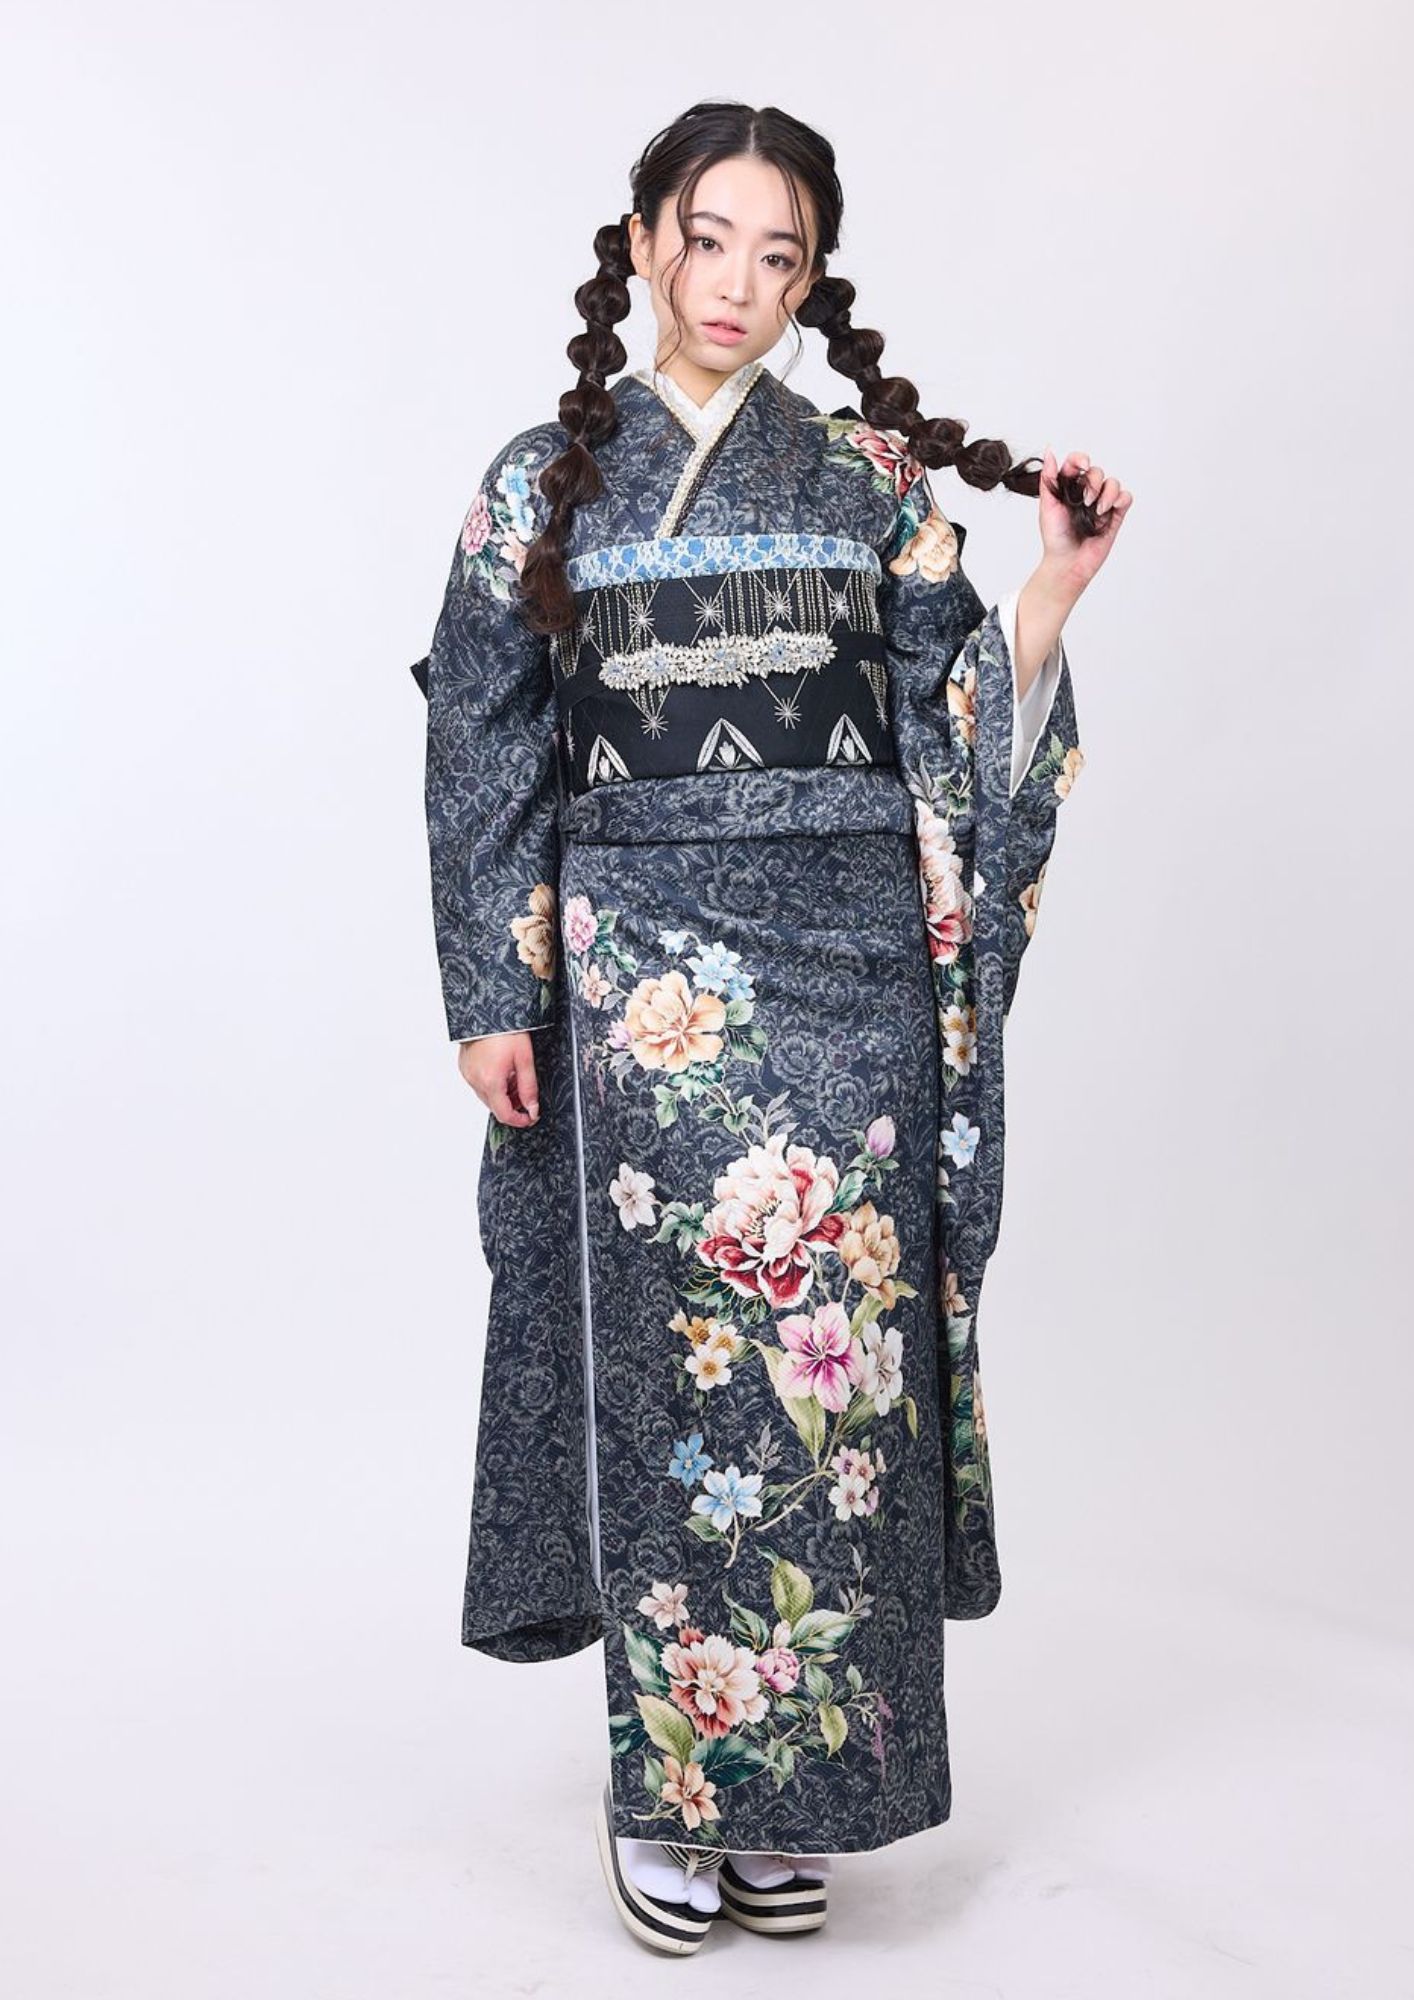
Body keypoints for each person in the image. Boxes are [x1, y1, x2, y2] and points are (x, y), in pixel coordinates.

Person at [413, 99, 1130, 1955]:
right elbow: (482, 734)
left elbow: (954, 722)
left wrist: (1045, 593)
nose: (737, 282)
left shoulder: (868, 478)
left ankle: (798, 1790)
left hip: (847, 975)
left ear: (812, 281)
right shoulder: (543, 481)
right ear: (645, 238)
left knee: (834, 1386)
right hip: (642, 985)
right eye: (708, 236)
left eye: (779, 254)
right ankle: (669, 1788)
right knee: (677, 1376)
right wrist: (494, 991)